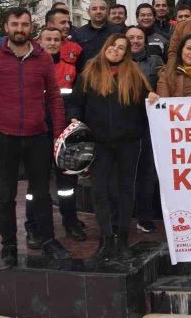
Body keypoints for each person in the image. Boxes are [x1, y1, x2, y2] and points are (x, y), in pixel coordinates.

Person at [0, 7, 71, 269]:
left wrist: (58, 134)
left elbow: (54, 98)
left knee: (42, 194)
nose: (20, 29)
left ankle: (48, 240)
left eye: (24, 24)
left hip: (37, 136)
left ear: (30, 27)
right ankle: (8, 247)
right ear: (6, 27)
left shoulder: (42, 57)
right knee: (5, 196)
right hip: (3, 137)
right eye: (15, 24)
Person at [66, 34, 157, 264]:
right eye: (113, 46)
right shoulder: (89, 71)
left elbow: (147, 99)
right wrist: (74, 120)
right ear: (106, 47)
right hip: (99, 142)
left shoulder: (133, 73)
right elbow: (76, 102)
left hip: (129, 142)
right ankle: (106, 238)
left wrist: (154, 97)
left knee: (125, 190)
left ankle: (122, 237)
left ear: (126, 53)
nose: (116, 50)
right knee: (100, 190)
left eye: (122, 48)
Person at [23, 26, 87, 247]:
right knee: (35, 186)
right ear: (38, 42)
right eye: (47, 39)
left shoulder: (70, 70)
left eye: (56, 40)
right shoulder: (28, 67)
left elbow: (75, 102)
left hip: (63, 135)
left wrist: (73, 122)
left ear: (62, 43)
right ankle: (33, 228)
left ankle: (70, 222)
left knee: (67, 184)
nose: (52, 43)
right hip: (36, 135)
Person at [123, 25, 163, 235]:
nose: (135, 41)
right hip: (124, 124)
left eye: (139, 37)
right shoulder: (118, 61)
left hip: (149, 124)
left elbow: (162, 86)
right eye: (131, 38)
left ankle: (145, 217)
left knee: (147, 173)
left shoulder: (155, 61)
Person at [73, 0, 124, 72]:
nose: (98, 11)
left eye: (102, 9)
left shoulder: (117, 32)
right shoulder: (79, 33)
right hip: (86, 77)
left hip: (111, 77)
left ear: (107, 12)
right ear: (88, 12)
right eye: (94, 9)